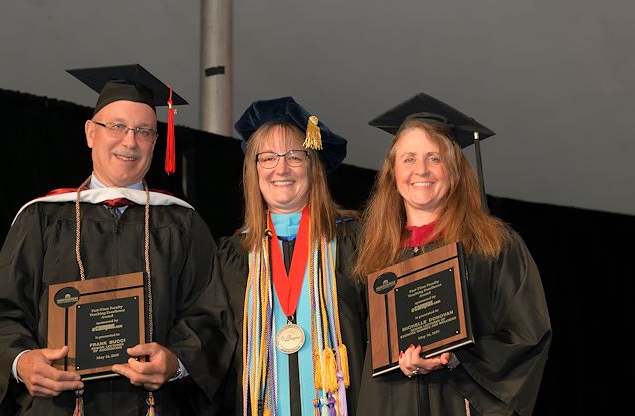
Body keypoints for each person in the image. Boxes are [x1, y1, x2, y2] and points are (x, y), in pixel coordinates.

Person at [0, 64, 234, 415]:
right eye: (117, 126)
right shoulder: (43, 217)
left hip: (152, 407)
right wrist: (22, 362)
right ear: (90, 133)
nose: (130, 141)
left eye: (144, 131)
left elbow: (212, 316)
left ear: (156, 142)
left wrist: (177, 361)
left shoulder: (182, 223)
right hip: (59, 406)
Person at [353, 93, 552, 416]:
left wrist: (457, 357)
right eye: (409, 159)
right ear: (391, 172)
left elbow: (528, 335)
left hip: (460, 404)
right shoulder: (371, 253)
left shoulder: (493, 245)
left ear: (454, 170)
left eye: (434, 158)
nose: (421, 170)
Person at [217, 96, 367, 416]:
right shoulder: (234, 255)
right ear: (253, 170)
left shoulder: (355, 241)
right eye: (267, 157)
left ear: (314, 166)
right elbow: (211, 342)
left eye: (295, 156)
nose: (281, 169)